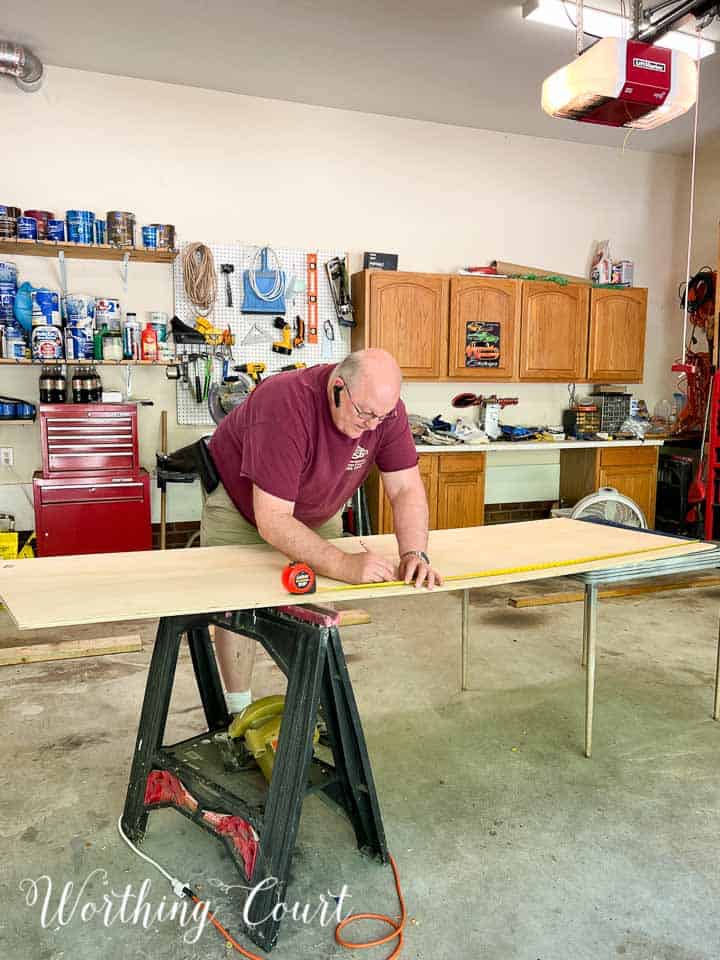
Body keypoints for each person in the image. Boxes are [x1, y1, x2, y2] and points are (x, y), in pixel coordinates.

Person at [201, 347, 442, 714]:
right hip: (244, 507)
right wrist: (345, 564)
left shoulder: (382, 412)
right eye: (365, 414)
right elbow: (274, 519)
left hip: (316, 509)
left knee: (317, 607)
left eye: (383, 416)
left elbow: (405, 488)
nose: (373, 426)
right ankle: (238, 712)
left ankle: (312, 704)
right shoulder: (283, 403)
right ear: (338, 388)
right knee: (237, 610)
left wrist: (414, 552)